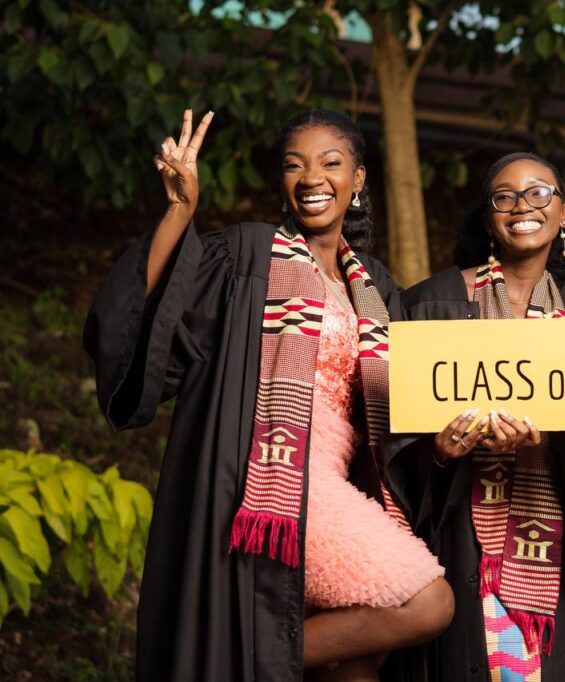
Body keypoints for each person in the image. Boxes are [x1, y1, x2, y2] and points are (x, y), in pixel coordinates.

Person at [84, 109, 453, 682]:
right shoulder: (251, 254)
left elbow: (405, 388)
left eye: (331, 163)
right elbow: (157, 312)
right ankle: (234, 661)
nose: (312, 178)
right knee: (429, 602)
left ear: (358, 178)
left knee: (356, 665)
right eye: (294, 165)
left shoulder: (373, 284)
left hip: (340, 476)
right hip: (274, 476)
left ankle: (232, 655)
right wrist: (181, 209)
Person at [387, 153, 565, 681]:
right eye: (504, 197)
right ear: (489, 218)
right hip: (460, 545)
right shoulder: (433, 303)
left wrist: (548, 443)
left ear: (563, 215)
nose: (521, 206)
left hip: (553, 555)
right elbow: (390, 448)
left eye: (539, 194)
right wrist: (441, 452)